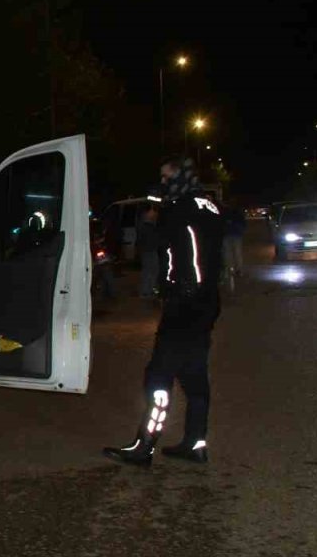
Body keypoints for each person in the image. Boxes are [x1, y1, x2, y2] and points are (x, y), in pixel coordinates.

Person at [104, 156, 224, 466]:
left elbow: (158, 245)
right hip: (207, 302)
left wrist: (153, 216)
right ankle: (196, 443)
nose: (164, 183)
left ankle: (144, 446)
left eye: (167, 178)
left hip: (184, 303)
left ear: (179, 178)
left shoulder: (178, 209)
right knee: (195, 376)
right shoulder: (208, 206)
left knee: (158, 377)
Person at [137, 205, 160, 298]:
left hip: (149, 250)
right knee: (150, 271)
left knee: (150, 270)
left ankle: (148, 290)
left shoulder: (147, 225)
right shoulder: (146, 225)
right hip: (149, 250)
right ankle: (147, 291)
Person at [221, 202, 247, 278]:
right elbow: (243, 224)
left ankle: (231, 269)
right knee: (236, 253)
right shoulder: (238, 214)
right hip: (235, 235)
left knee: (228, 253)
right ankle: (237, 270)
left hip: (229, 234)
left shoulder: (225, 213)